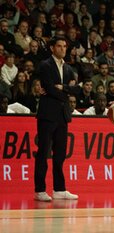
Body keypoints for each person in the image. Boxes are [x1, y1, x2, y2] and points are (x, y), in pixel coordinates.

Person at [35, 36, 79, 202]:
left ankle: (59, 189)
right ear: (52, 47)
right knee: (43, 153)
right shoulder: (45, 65)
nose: (62, 49)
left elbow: (76, 91)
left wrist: (64, 88)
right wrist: (65, 91)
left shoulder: (68, 68)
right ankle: (39, 190)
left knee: (60, 154)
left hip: (62, 115)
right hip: (47, 114)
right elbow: (48, 88)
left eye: (64, 46)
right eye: (59, 46)